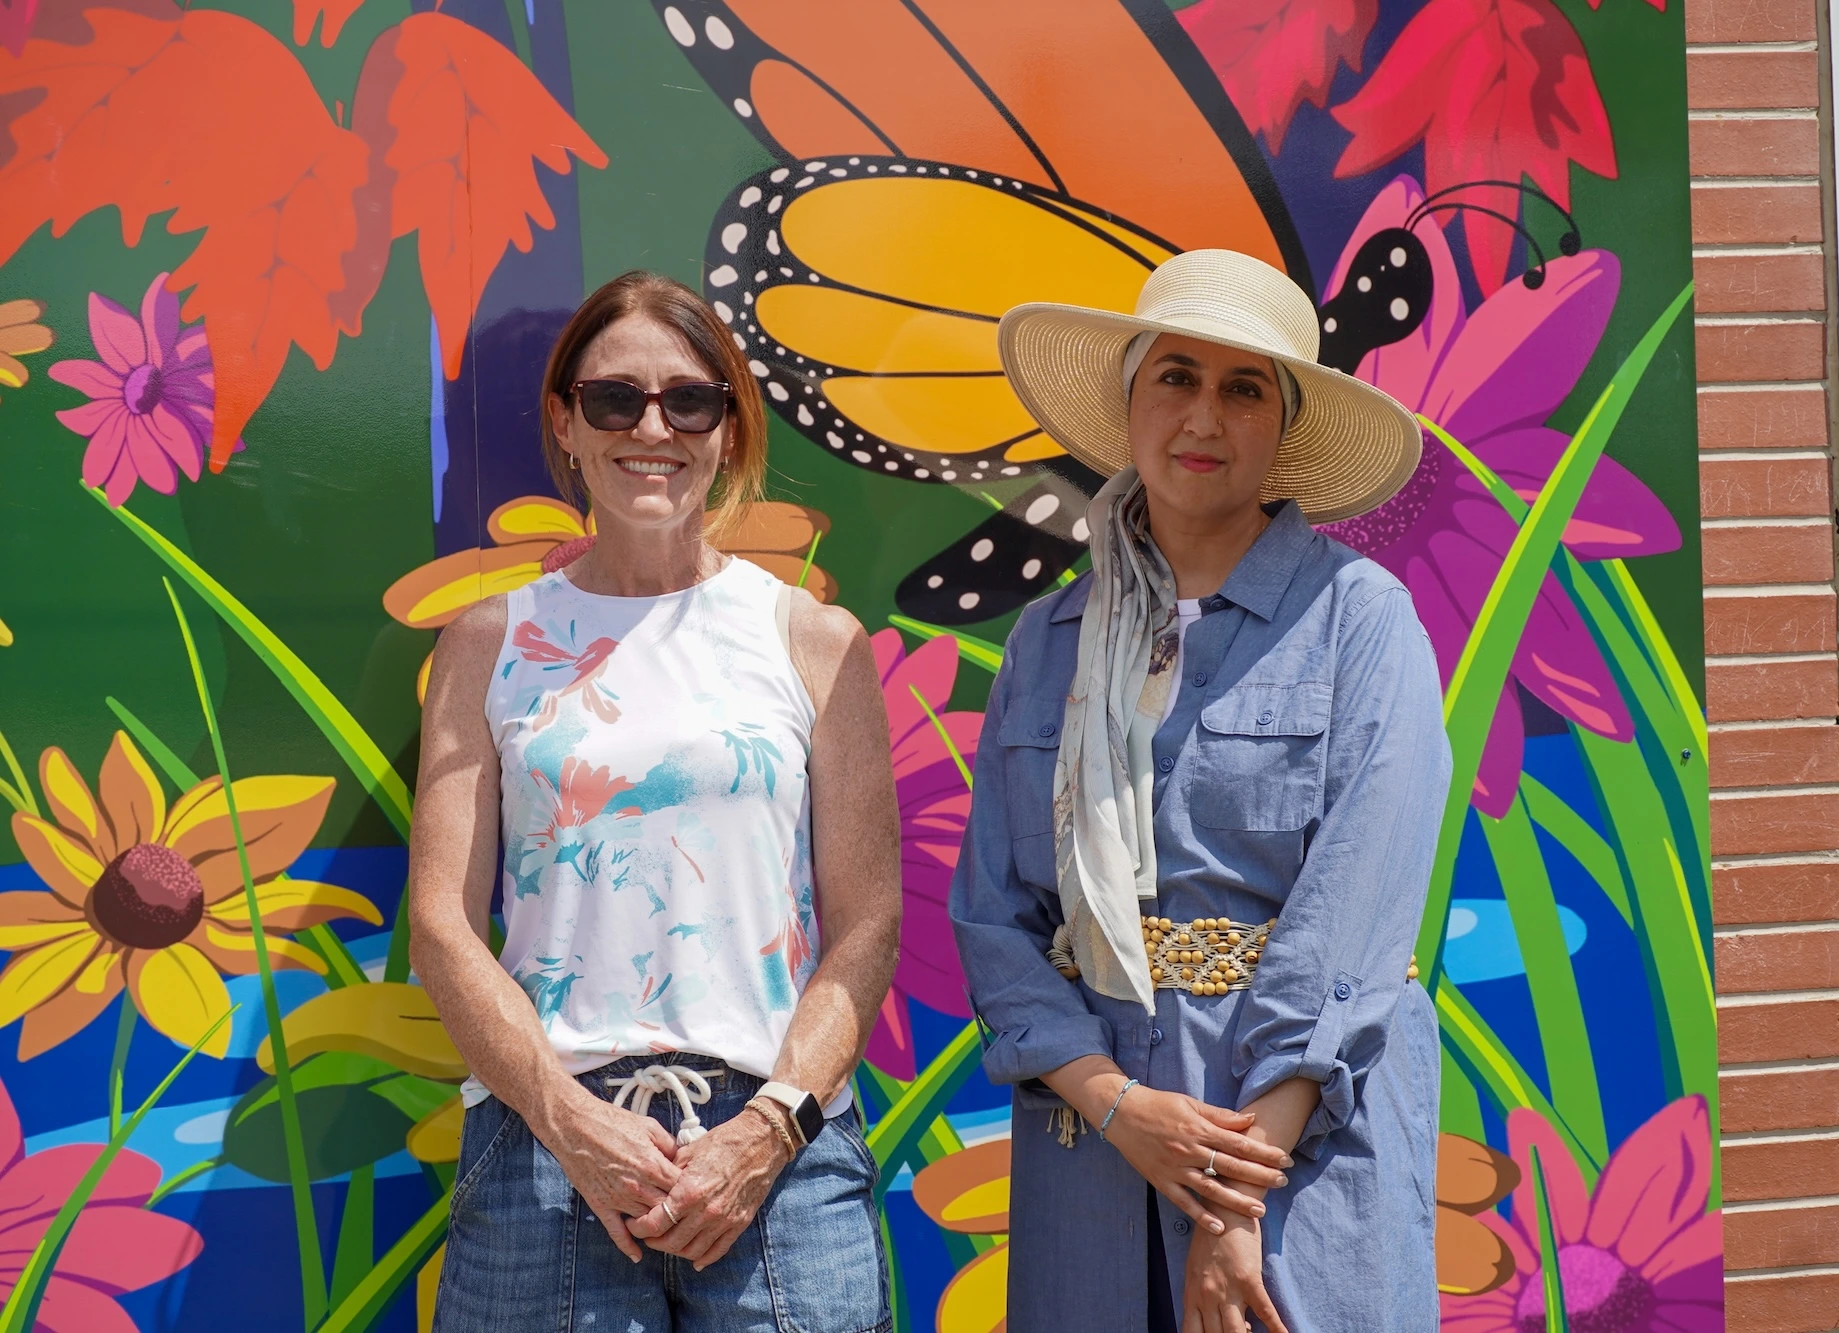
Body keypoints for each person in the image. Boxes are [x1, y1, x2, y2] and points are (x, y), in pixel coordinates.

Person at [950, 249, 1450, 1333]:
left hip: (1299, 1148)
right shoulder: (1047, 640)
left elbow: (1353, 924)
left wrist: (1230, 1191)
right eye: (1174, 377)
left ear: (1282, 427)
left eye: (1242, 388)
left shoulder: (1361, 620)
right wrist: (1119, 1107)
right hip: (1091, 1144)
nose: (1202, 416)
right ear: (1129, 404)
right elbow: (993, 918)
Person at [408, 271, 901, 1333]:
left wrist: (767, 1128)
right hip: (545, 1148)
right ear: (565, 422)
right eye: (613, 399)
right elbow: (442, 927)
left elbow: (867, 926)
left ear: (728, 428)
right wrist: (570, 1120)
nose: (652, 426)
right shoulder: (484, 645)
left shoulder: (814, 643)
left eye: (689, 400)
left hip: (777, 1158)